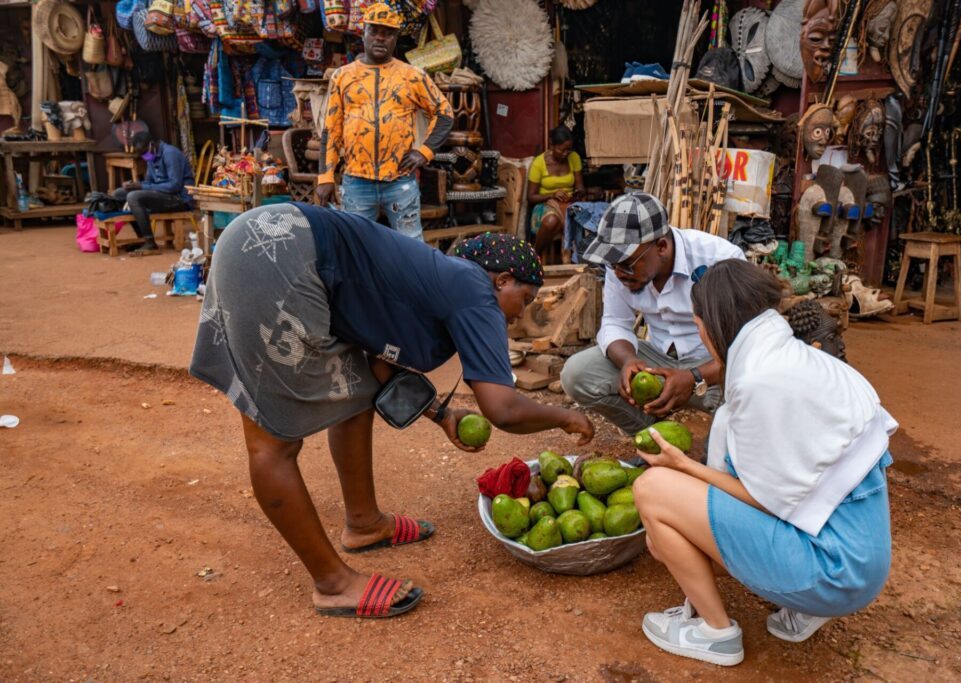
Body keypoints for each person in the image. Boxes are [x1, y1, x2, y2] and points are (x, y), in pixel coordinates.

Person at [190, 203, 593, 618]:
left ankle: (364, 524)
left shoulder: (436, 285)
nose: (520, 313)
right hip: (276, 255)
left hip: (275, 243)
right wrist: (566, 417)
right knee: (272, 443)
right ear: (502, 279)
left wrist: (441, 415)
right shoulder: (475, 287)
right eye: (523, 299)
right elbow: (502, 408)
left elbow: (378, 367)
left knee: (352, 395)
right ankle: (332, 584)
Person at [632, 259, 896, 666]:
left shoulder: (759, 382)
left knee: (652, 493)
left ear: (710, 323)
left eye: (697, 322)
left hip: (833, 573)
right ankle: (805, 608)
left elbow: (766, 500)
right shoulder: (807, 363)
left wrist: (683, 467)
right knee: (665, 535)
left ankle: (716, 633)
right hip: (863, 563)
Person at [560, 193, 745, 437]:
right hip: (658, 361)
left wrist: (694, 377)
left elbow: (745, 347)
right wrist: (627, 360)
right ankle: (656, 435)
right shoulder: (619, 266)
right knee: (577, 374)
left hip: (713, 367)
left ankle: (710, 434)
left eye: (627, 264)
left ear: (661, 247)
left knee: (745, 392)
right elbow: (615, 321)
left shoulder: (718, 259)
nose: (618, 273)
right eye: (613, 265)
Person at [314, 3, 454, 242]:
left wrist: (424, 152)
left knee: (411, 246)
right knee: (356, 246)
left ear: (396, 38)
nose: (380, 38)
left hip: (400, 181)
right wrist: (326, 177)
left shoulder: (412, 75)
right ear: (364, 33)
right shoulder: (343, 76)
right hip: (356, 181)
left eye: (387, 33)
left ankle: (411, 281)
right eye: (374, 31)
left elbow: (444, 114)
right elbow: (331, 129)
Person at [112, 131, 195, 254]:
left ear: (151, 144)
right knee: (120, 193)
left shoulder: (170, 154)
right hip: (164, 195)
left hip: (179, 198)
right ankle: (142, 239)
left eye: (143, 152)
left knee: (134, 197)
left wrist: (141, 187)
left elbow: (174, 186)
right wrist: (134, 185)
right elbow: (148, 182)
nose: (143, 156)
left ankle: (150, 242)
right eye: (140, 154)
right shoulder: (151, 156)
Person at [527, 125, 584, 258]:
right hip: (544, 204)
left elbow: (580, 187)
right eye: (561, 150)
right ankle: (536, 255)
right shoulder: (538, 163)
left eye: (568, 150)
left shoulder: (574, 158)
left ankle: (573, 260)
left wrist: (577, 193)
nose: (565, 154)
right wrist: (552, 195)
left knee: (582, 219)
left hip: (569, 203)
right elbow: (531, 197)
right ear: (552, 145)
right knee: (552, 221)